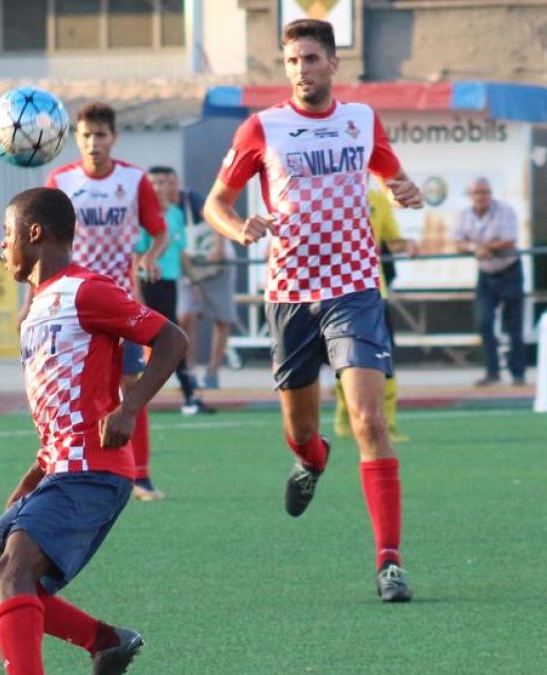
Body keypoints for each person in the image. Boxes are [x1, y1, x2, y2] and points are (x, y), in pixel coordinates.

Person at [203, 19, 424, 602]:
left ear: (333, 64)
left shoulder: (361, 120)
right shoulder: (263, 128)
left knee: (368, 422)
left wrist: (406, 188)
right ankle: (312, 461)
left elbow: (392, 172)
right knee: (300, 432)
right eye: (292, 61)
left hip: (354, 290)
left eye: (310, 58)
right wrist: (238, 224)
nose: (301, 69)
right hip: (291, 298)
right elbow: (215, 204)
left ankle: (389, 562)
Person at [0, 187, 187, 675]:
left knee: (13, 569)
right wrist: (36, 470)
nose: (1, 245)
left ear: (34, 233)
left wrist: (130, 407)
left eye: (6, 233)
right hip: (60, 465)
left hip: (93, 467)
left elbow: (171, 338)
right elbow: (65, 402)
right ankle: (105, 641)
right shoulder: (37, 306)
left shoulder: (87, 289)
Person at [45, 101, 169, 501]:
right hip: (70, 303)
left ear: (113, 137)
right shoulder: (60, 182)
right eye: (86, 136)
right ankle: (64, 469)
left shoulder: (134, 180)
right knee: (67, 389)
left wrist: (150, 256)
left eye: (100, 135)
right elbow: (43, 245)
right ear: (76, 139)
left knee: (132, 387)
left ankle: (141, 475)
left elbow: (159, 231)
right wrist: (31, 301)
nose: (93, 143)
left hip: (119, 302)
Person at [333, 189, 418, 440]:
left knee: (384, 356)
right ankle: (344, 411)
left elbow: (393, 240)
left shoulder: (376, 198)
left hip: (373, 290)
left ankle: (388, 423)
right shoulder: (326, 193)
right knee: (344, 359)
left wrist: (408, 244)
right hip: (336, 290)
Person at [141, 166, 214, 415]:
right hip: (146, 284)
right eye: (155, 183)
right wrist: (136, 294)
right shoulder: (141, 217)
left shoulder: (174, 214)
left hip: (169, 283)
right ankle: (187, 395)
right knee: (162, 340)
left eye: (164, 182)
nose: (160, 188)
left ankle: (189, 396)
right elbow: (135, 256)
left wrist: (193, 278)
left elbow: (180, 251)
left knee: (172, 339)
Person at [164, 170, 237, 392]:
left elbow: (215, 217)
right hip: (190, 267)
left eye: (169, 182)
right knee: (186, 316)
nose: (164, 187)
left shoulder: (192, 199)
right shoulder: (163, 211)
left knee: (222, 318)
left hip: (217, 265)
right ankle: (190, 372)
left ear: (178, 183)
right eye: (158, 183)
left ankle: (213, 371)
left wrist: (218, 248)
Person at [453, 177, 526, 387]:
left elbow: (509, 240)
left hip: (509, 271)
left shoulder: (505, 211)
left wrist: (486, 247)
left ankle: (518, 374)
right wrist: (476, 248)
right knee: (484, 321)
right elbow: (458, 242)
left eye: (484, 192)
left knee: (513, 326)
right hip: (486, 274)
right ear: (471, 196)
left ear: (490, 194)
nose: (481, 197)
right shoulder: (465, 215)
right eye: (477, 193)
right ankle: (492, 372)